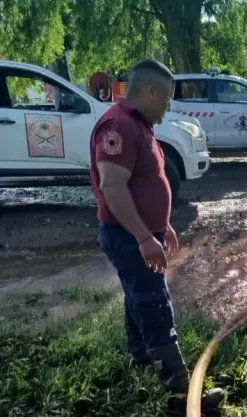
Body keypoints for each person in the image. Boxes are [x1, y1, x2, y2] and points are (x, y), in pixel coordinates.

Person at [89, 59, 223, 412]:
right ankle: (181, 392)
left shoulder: (139, 125)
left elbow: (143, 183)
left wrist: (163, 225)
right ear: (149, 91)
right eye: (166, 99)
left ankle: (141, 357)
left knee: (138, 297)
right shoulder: (118, 126)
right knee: (154, 303)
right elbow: (113, 187)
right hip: (126, 236)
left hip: (138, 232)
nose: (168, 107)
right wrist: (145, 238)